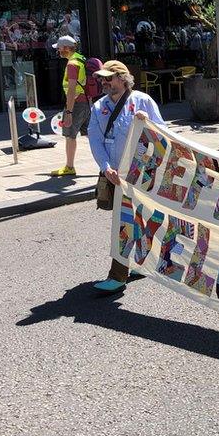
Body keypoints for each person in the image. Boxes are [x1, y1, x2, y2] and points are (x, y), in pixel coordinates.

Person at [88, 60, 164, 294]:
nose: (103, 82)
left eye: (108, 78)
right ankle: (124, 270)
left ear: (122, 78)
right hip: (116, 174)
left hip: (141, 173)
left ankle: (121, 273)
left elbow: (163, 135)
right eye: (101, 78)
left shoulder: (143, 101)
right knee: (125, 221)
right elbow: (95, 139)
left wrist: (148, 123)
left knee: (137, 218)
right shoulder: (99, 106)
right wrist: (105, 167)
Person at [51, 36, 91, 177]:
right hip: (85, 102)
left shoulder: (72, 64)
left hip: (75, 103)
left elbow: (72, 88)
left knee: (70, 136)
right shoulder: (80, 59)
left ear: (67, 49)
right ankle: (111, 163)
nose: (58, 50)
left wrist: (68, 111)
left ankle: (69, 167)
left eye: (60, 48)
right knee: (91, 134)